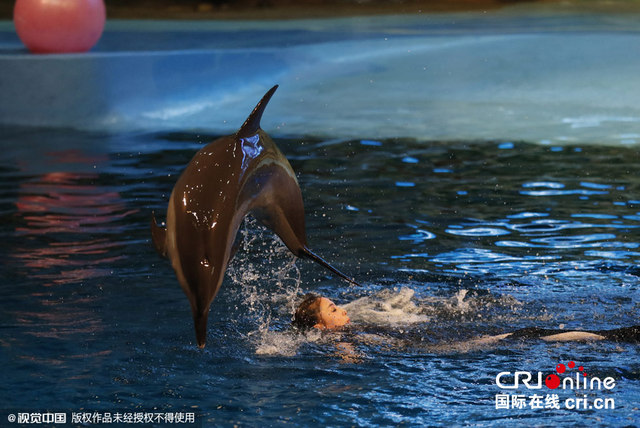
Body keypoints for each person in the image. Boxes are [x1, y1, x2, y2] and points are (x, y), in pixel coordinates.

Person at [292, 293, 640, 344]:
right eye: (333, 310)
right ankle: (613, 337)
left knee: (527, 333)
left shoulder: (349, 330)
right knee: (528, 334)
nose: (343, 310)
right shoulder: (340, 341)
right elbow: (349, 359)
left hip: (439, 339)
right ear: (320, 326)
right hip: (448, 347)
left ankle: (614, 335)